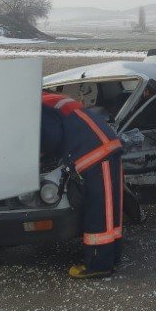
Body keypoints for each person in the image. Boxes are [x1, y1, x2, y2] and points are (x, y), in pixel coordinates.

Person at [40, 92, 124, 279]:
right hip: (104, 146)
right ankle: (112, 257)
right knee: (110, 211)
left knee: (98, 210)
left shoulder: (40, 107)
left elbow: (51, 136)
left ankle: (98, 265)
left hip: (93, 152)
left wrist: (39, 153)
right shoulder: (50, 99)